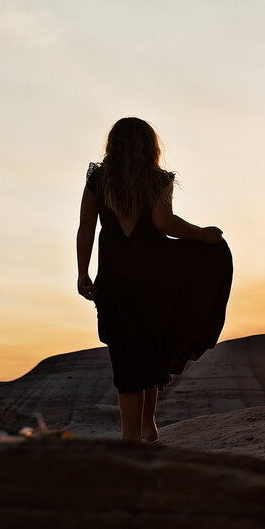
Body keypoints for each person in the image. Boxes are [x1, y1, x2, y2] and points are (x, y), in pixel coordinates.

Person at [76, 117, 232, 442]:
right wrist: (203, 237)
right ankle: (147, 423)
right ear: (151, 147)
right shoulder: (158, 180)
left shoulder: (99, 180)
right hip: (155, 277)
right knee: (149, 345)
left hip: (115, 279)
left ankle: (131, 434)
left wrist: (83, 273)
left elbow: (86, 227)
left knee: (125, 353)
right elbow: (164, 222)